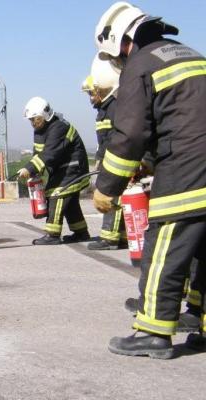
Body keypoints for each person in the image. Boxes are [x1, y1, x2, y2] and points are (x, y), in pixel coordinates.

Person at [92, 2, 206, 358]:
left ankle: (153, 333)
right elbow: (183, 120)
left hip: (188, 173)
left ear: (121, 41)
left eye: (114, 56)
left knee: (164, 252)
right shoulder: (190, 54)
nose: (117, 63)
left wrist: (107, 187)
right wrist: (150, 163)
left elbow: (130, 134)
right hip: (198, 162)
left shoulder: (141, 65)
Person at [18, 97, 90, 245]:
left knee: (57, 194)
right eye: (31, 120)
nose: (33, 123)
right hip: (62, 168)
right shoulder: (40, 129)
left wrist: (29, 168)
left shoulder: (59, 127)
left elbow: (49, 153)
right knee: (70, 202)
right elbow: (38, 153)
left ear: (45, 115)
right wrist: (34, 172)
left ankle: (52, 234)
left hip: (74, 168)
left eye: (35, 119)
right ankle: (81, 232)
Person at [81, 56, 127, 251]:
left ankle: (109, 238)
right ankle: (123, 236)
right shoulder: (104, 110)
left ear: (102, 90)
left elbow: (114, 139)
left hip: (115, 160)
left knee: (111, 194)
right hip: (109, 158)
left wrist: (102, 159)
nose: (91, 97)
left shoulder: (114, 108)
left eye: (92, 93)